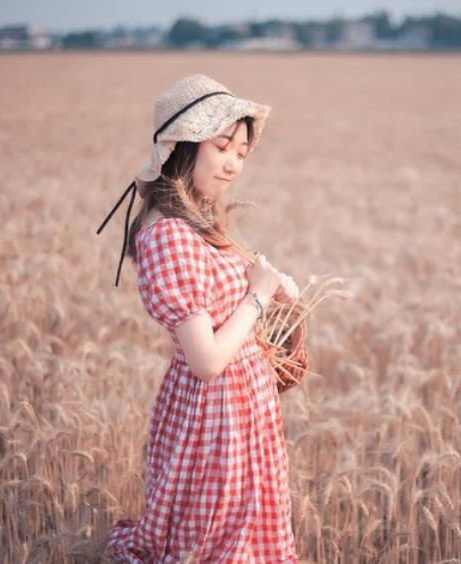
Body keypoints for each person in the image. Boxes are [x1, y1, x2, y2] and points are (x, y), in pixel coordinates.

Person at [96, 74, 299, 562]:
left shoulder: (195, 227)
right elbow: (206, 360)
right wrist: (256, 299)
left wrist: (270, 289)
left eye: (242, 154)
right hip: (214, 414)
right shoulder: (167, 235)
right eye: (222, 146)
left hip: (240, 408)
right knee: (215, 546)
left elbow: (225, 300)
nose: (232, 164)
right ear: (185, 145)